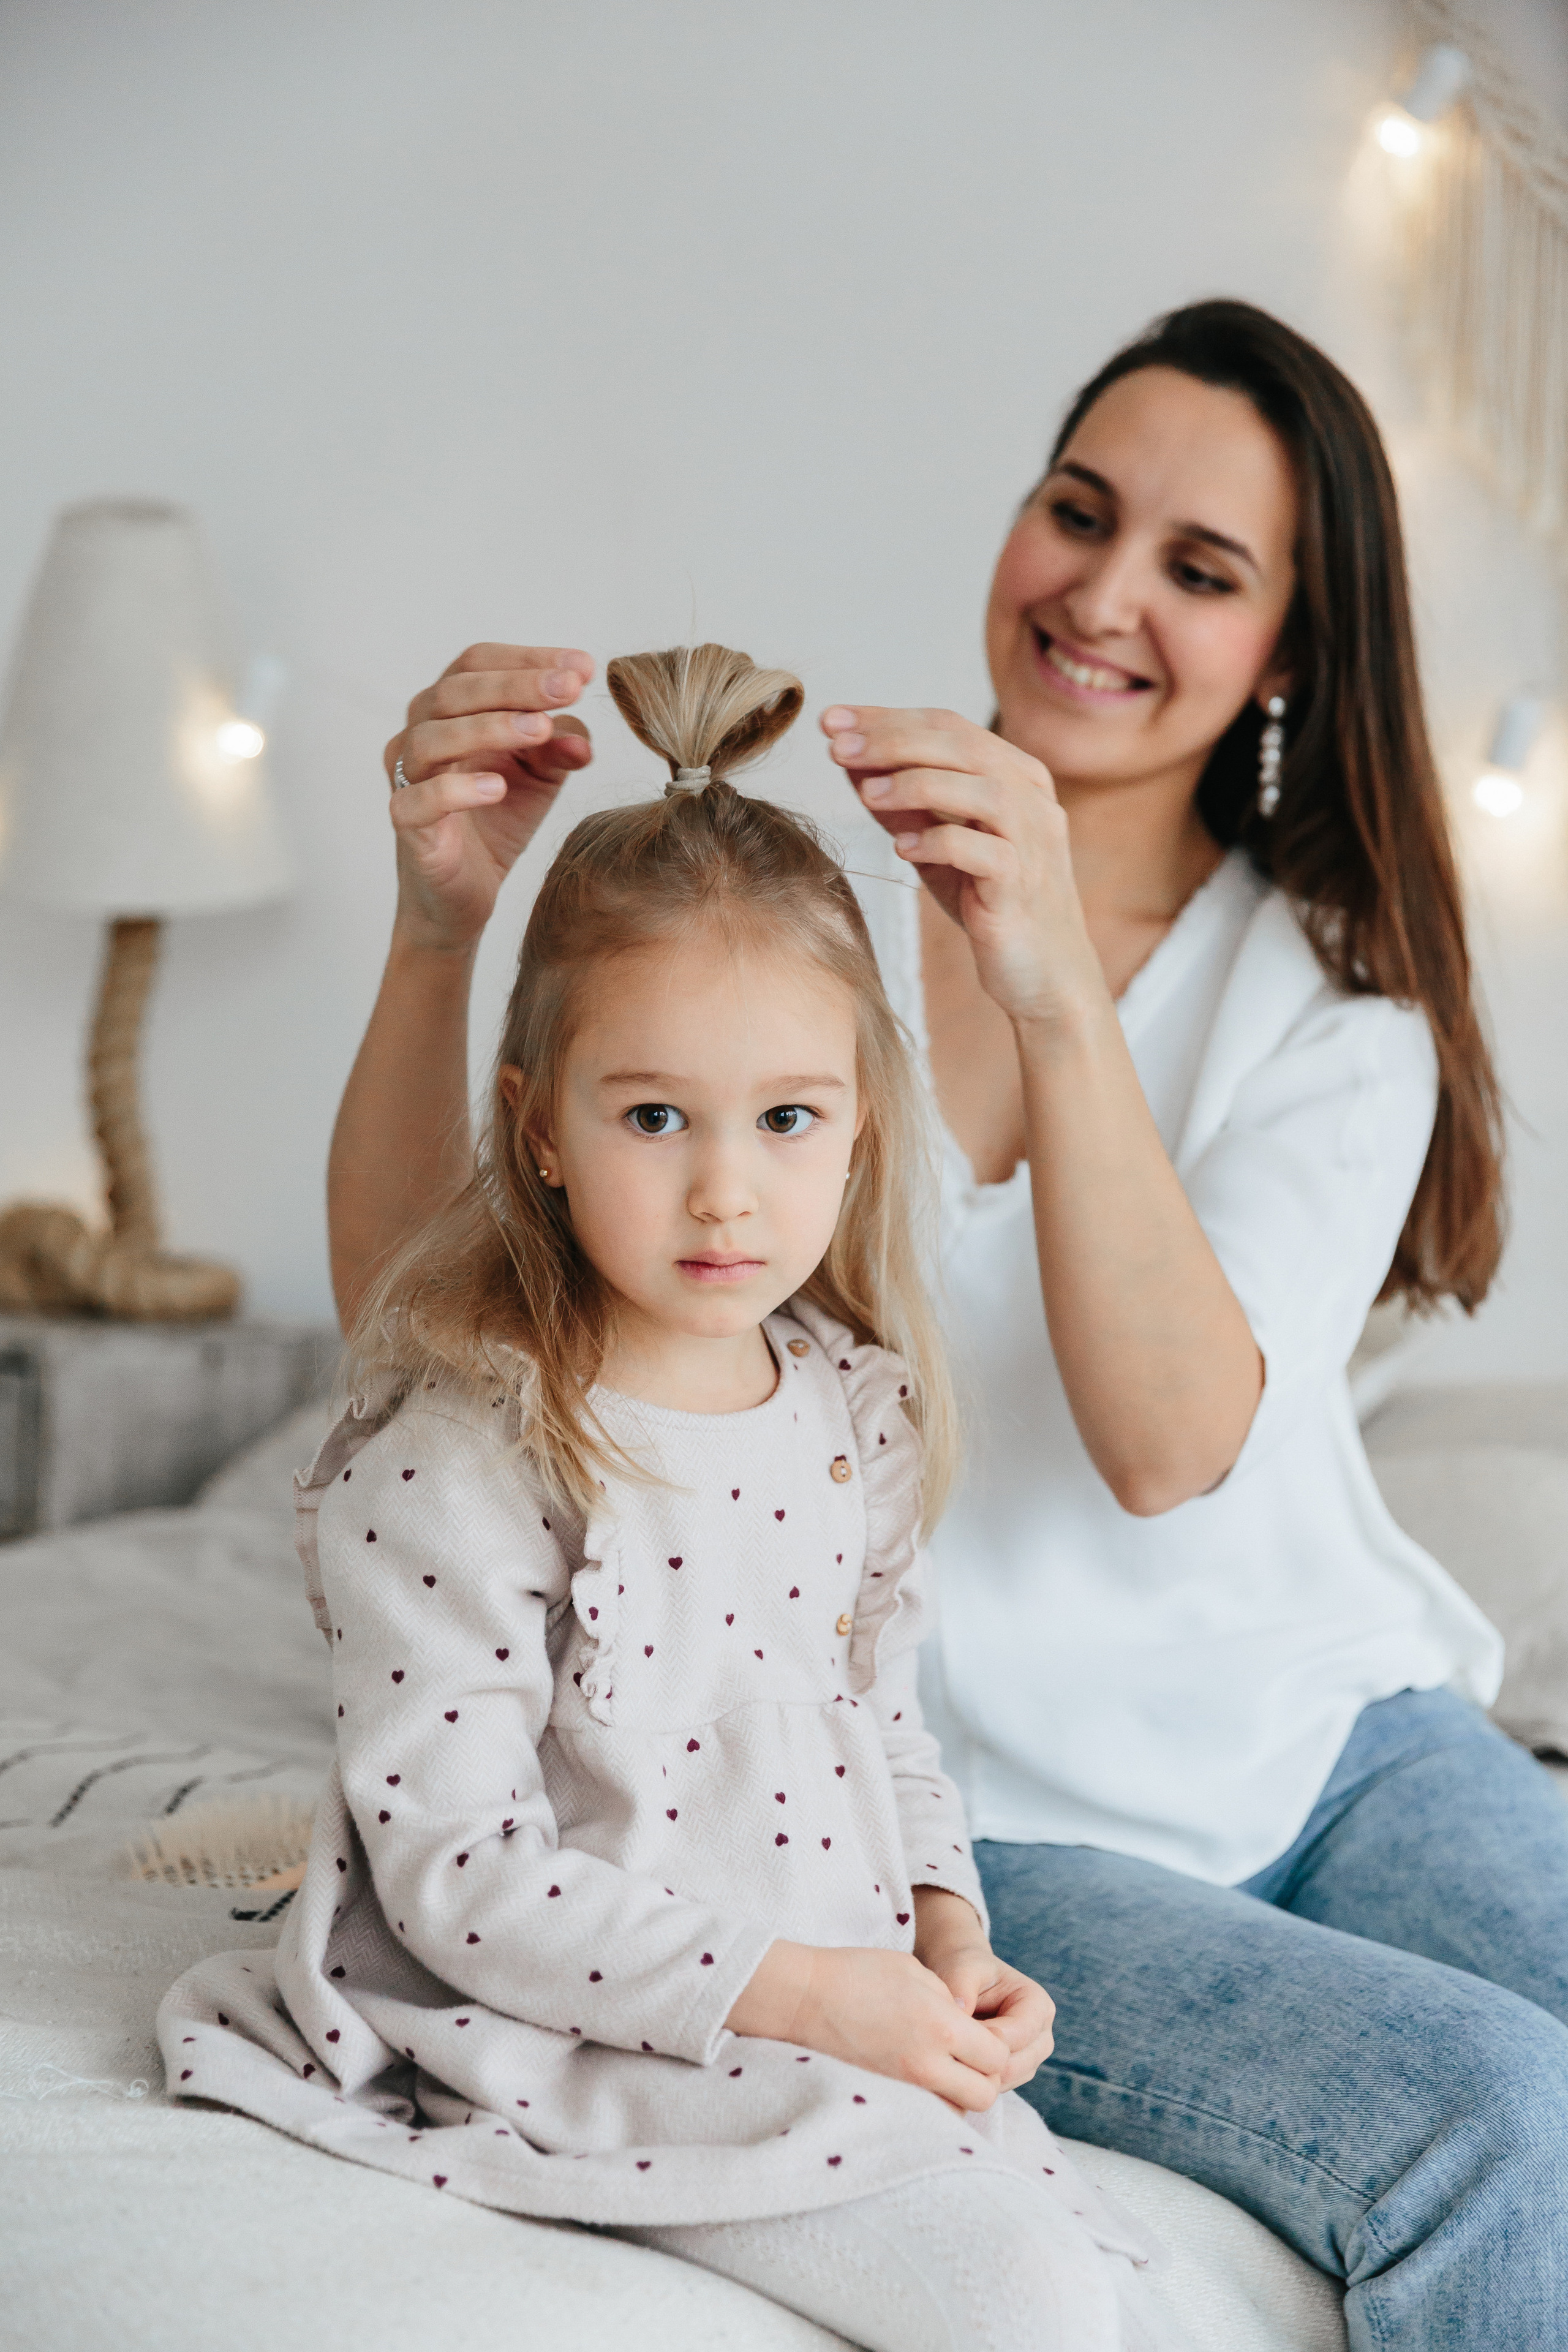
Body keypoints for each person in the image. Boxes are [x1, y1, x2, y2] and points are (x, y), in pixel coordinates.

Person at [323, 303, 1568, 2348]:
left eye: (1203, 567)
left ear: (1289, 659)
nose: (1102, 591)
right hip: (994, 1823)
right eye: (1077, 513)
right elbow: (442, 1328)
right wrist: (438, 930)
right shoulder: (780, 950)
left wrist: (1064, 982)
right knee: (1506, 2120)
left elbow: (1171, 1444)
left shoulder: (1340, 1014)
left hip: (1347, 1747)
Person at [159, 646, 1182, 2352]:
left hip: (828, 1993)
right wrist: (805, 1998)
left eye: (789, 1117)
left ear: (861, 1129)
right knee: (1038, 2311)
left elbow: (881, 1721)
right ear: (540, 1127)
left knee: (1105, 2276)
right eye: (653, 1116)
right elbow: (462, 1875)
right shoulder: (469, 1449)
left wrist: (945, 1929)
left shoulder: (853, 1408)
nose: (727, 1190)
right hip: (577, 2021)